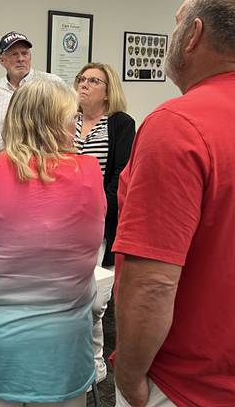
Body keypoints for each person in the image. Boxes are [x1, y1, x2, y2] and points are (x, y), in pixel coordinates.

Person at [112, 0, 235, 407]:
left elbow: (154, 283)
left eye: (177, 23)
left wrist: (127, 374)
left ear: (194, 34)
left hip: (183, 382)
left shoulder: (175, 126)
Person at [0, 78, 105, 407]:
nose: (75, 128)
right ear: (55, 124)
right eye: (71, 119)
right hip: (65, 353)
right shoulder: (90, 173)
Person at [73, 62, 134, 382]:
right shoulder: (68, 120)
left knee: (95, 300)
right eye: (81, 79)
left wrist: (97, 210)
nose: (84, 85)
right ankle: (74, 355)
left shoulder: (120, 124)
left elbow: (120, 176)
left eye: (93, 81)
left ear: (108, 91)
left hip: (101, 222)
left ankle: (95, 361)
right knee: (71, 293)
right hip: (67, 222)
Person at [0, 31, 63, 154]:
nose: (21, 59)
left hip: (43, 167)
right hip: (2, 167)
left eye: (24, 53)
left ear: (30, 56)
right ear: (2, 60)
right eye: (14, 54)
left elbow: (68, 128)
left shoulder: (53, 84)